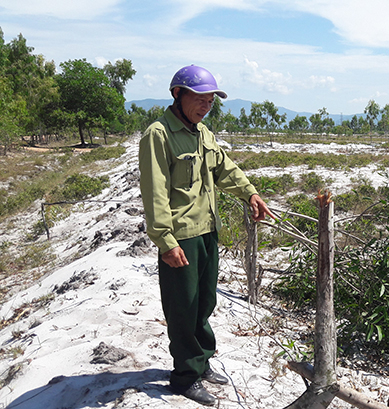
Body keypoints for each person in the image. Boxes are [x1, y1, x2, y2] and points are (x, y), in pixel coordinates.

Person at [139, 64, 274, 406]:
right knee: (182, 308)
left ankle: (201, 361)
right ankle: (184, 377)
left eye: (210, 100)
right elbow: (154, 191)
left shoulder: (203, 134)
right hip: (180, 236)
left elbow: (224, 168)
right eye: (198, 98)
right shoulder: (159, 135)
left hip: (207, 232)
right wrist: (164, 241)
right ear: (177, 95)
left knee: (204, 303)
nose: (205, 105)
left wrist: (251, 193)